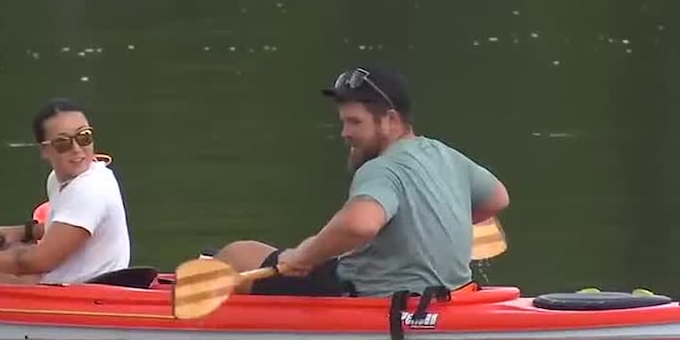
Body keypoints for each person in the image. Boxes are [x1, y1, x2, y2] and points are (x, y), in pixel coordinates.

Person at [212, 64, 510, 298]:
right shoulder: (446, 155)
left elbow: (360, 225)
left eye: (355, 122)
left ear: (390, 120)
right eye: (343, 122)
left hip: (369, 294)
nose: (345, 133)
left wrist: (303, 255)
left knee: (237, 254)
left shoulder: (382, 168)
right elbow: (497, 199)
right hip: (449, 297)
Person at [0, 98, 131, 284]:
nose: (77, 149)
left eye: (83, 137)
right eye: (62, 142)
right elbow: (70, 225)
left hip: (81, 291)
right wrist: (26, 231)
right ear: (44, 150)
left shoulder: (89, 189)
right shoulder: (60, 179)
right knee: (13, 251)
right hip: (68, 279)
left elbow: (40, 261)